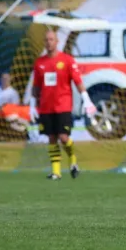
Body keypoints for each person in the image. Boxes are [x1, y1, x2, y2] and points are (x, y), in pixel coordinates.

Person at [30, 30, 97, 180]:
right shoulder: (40, 63)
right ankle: (56, 172)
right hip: (46, 107)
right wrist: (32, 103)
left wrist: (86, 100)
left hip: (63, 106)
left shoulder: (67, 60)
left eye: (51, 39)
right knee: (51, 138)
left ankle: (72, 158)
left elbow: (78, 81)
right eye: (46, 40)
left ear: (57, 41)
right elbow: (36, 86)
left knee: (64, 138)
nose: (49, 42)